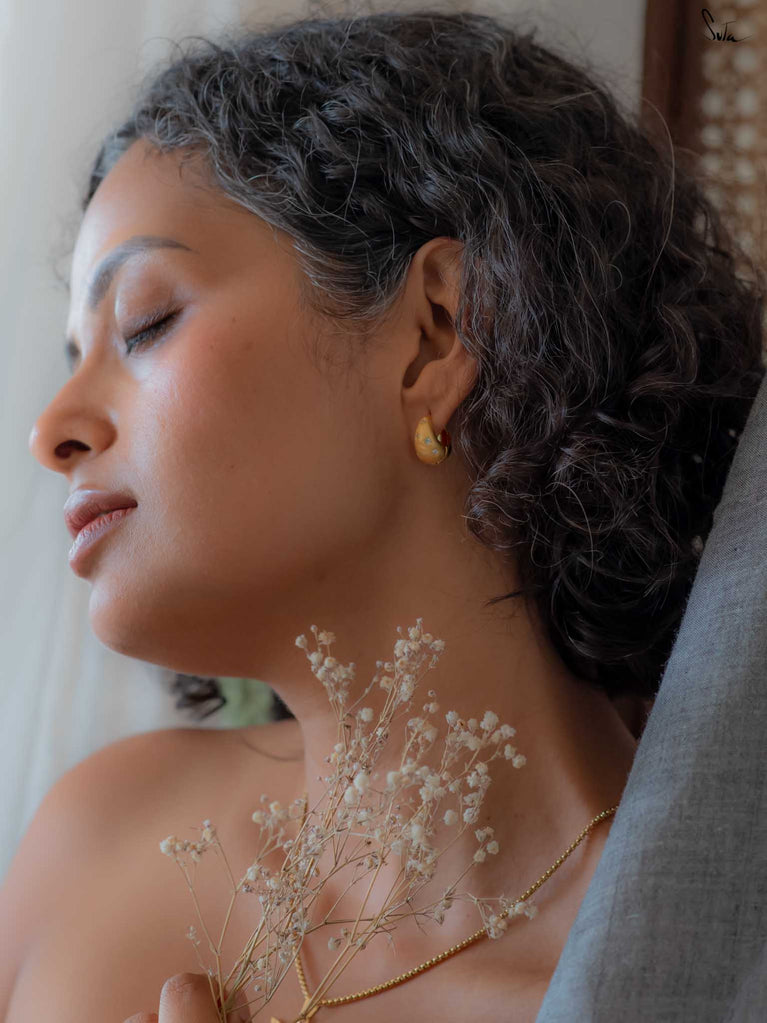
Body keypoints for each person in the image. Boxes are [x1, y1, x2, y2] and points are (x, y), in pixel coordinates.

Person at [3, 8, 764, 1023]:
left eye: (145, 321)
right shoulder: (95, 839)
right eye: (76, 355)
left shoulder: (676, 980)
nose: (49, 430)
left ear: (436, 334)